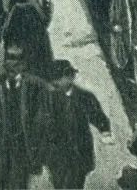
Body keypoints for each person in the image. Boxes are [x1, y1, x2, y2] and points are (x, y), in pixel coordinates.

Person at [0, 40, 51, 190]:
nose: (12, 64)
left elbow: (42, 116)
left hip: (23, 147)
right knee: (0, 184)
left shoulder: (35, 87)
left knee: (20, 184)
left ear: (24, 64)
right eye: (9, 58)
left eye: (17, 60)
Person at [40, 58, 111, 188]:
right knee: (60, 183)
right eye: (54, 80)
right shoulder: (49, 99)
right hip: (57, 153)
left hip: (80, 150)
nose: (54, 84)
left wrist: (104, 130)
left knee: (77, 182)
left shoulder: (84, 97)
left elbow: (97, 115)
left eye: (58, 79)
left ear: (69, 77)